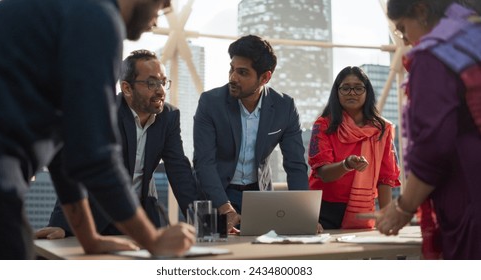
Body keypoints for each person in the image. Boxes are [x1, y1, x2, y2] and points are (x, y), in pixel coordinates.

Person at [0, 0, 195, 259]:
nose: (157, 19)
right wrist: (152, 240)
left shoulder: (72, 12)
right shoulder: (97, 16)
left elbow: (66, 147)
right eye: (161, 4)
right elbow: (94, 156)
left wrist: (89, 238)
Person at [35, 50, 198, 239]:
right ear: (127, 88)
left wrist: (201, 220)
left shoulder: (169, 116)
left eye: (163, 82)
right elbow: (79, 168)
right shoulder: (103, 112)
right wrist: (62, 224)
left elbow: (179, 170)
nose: (161, 90)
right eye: (152, 83)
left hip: (143, 215)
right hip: (99, 215)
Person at [376, 0, 481, 259]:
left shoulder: (434, 56)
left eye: (402, 29)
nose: (407, 40)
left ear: (421, 11)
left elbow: (433, 147)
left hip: (468, 189)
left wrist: (403, 207)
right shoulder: (472, 37)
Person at [193, 35, 309, 232]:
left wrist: (304, 215)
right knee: (215, 257)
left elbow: (296, 165)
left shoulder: (284, 107)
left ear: (265, 77)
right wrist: (225, 208)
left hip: (259, 197)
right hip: (215, 195)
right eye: (232, 69)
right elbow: (204, 162)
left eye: (242, 72)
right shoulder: (210, 103)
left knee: (263, 255)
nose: (233, 77)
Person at [308, 66, 401, 230]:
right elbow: (323, 174)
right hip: (322, 209)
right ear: (337, 92)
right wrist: (347, 165)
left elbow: (385, 178)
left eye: (358, 88)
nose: (352, 93)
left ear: (367, 92)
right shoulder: (323, 125)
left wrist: (386, 217)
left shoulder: (382, 129)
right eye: (345, 88)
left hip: (362, 209)